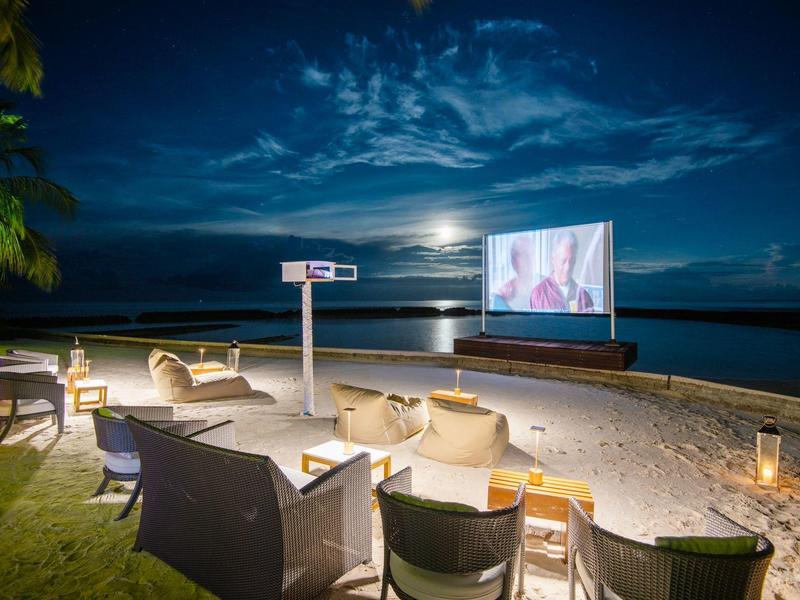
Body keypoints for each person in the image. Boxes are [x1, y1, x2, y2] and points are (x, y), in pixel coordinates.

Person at [530, 230, 594, 312]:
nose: (567, 267)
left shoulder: (584, 297)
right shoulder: (538, 295)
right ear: (553, 259)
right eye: (563, 261)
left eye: (571, 261)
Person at [491, 235, 536, 311]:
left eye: (532, 254)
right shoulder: (501, 298)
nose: (529, 259)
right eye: (524, 254)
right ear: (513, 261)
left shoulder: (548, 287)